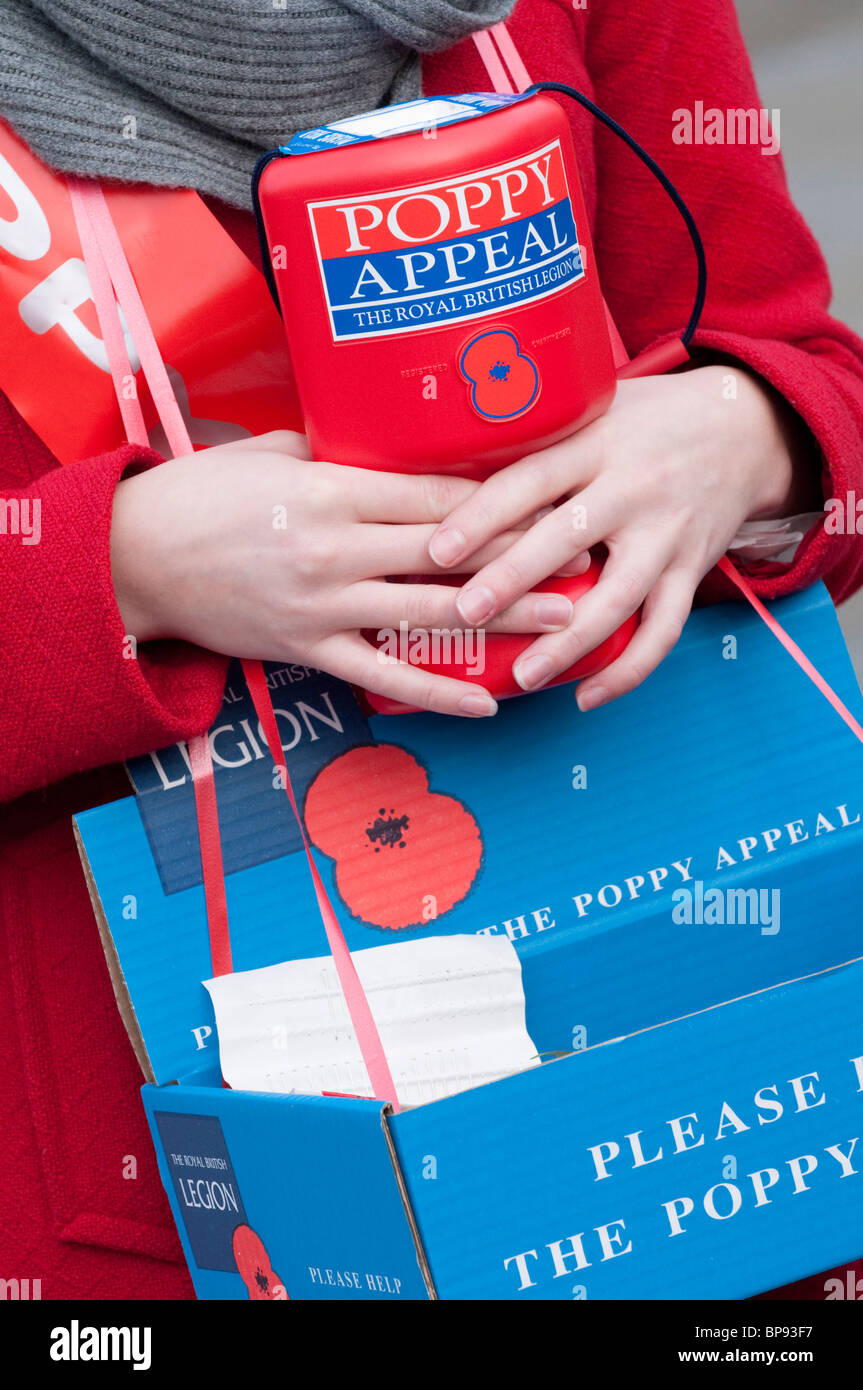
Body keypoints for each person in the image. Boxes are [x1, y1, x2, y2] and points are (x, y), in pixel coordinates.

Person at [1, 0, 862, 1300]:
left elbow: (806, 379)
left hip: (690, 1103)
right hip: (162, 1195)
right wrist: (122, 567)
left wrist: (741, 434)